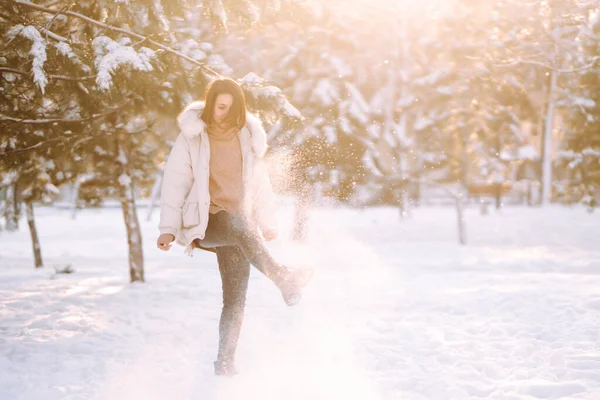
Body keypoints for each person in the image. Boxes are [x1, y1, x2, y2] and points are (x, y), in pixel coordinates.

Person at [156, 78, 312, 377]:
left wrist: (266, 222)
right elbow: (175, 183)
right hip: (207, 221)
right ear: (211, 103)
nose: (224, 114)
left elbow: (259, 182)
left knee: (235, 298)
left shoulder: (245, 138)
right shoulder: (193, 137)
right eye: (220, 107)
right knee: (237, 223)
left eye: (231, 109)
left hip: (242, 227)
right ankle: (283, 278)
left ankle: (225, 363)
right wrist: (168, 229)